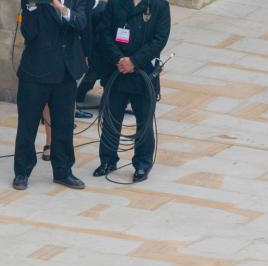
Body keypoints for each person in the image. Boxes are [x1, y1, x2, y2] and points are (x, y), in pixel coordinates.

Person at [12, 0, 88, 191]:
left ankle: (63, 171)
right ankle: (22, 171)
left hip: (65, 72)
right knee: (27, 125)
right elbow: (29, 33)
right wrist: (31, 7)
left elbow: (80, 23)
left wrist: (59, 6)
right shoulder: (34, 3)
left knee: (64, 125)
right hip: (36, 72)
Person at [94, 0, 170, 183]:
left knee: (144, 122)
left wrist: (134, 61)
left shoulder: (159, 5)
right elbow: (104, 33)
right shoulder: (115, 3)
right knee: (111, 119)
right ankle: (108, 160)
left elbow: (159, 39)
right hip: (117, 71)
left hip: (143, 73)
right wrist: (119, 59)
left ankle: (142, 163)